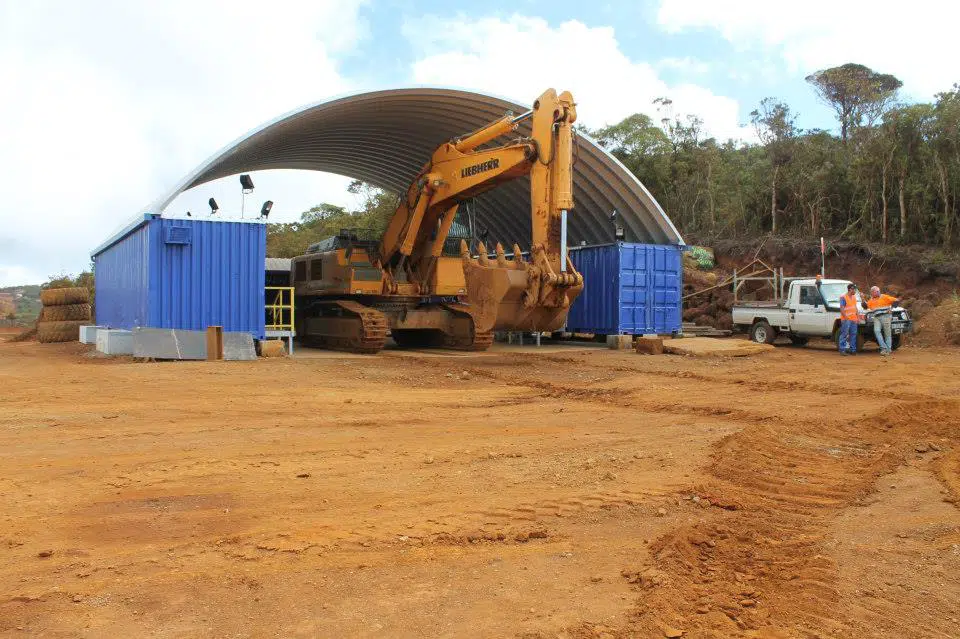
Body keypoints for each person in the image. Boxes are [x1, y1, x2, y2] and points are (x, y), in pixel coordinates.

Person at [866, 286, 900, 356]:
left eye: (878, 291)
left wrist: (892, 308)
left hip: (886, 316)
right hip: (877, 317)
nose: (878, 292)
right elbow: (865, 306)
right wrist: (863, 299)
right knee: (876, 331)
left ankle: (888, 349)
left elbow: (896, 300)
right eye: (876, 292)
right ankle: (884, 347)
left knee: (887, 333)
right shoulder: (871, 300)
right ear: (872, 293)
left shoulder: (885, 297)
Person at [838, 283, 863, 355]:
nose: (855, 291)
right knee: (844, 334)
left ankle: (853, 350)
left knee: (853, 334)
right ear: (850, 289)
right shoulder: (843, 297)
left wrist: (858, 317)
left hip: (853, 319)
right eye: (854, 289)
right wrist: (845, 318)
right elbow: (842, 309)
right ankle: (842, 350)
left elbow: (855, 308)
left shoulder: (854, 297)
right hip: (847, 319)